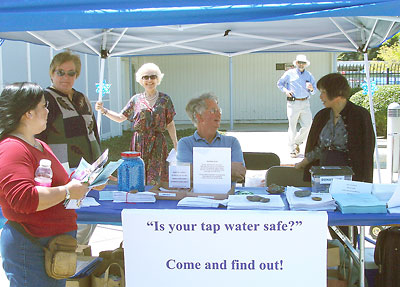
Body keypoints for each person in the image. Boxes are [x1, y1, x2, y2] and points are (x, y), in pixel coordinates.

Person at [0, 82, 89, 286]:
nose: (48, 111)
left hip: (51, 245)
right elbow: (24, 199)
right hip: (32, 247)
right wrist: (68, 191)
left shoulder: (38, 144)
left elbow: (58, 183)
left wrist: (85, 180)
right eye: (44, 106)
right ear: (28, 113)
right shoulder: (12, 148)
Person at [294, 73, 375, 244]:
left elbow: (366, 151)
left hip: (350, 180)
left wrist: (365, 183)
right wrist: (303, 163)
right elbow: (318, 148)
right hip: (323, 177)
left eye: (323, 91)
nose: (321, 96)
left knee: (347, 225)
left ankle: (349, 259)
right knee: (327, 220)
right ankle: (339, 258)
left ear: (337, 93)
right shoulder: (322, 116)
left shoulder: (360, 115)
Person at [36, 51, 101, 245]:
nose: (65, 77)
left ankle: (78, 262)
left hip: (87, 171)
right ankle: (67, 264)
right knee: (69, 224)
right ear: (51, 73)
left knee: (89, 220)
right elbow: (38, 139)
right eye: (60, 72)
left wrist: (100, 166)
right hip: (60, 173)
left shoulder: (82, 99)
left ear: (77, 75)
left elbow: (93, 135)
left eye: (71, 73)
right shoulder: (45, 99)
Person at [95, 63, 178, 186]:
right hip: (139, 143)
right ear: (140, 80)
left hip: (158, 144)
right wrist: (103, 111)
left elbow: (170, 123)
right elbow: (120, 118)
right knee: (137, 176)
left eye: (153, 76)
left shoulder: (165, 99)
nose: (149, 80)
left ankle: (155, 199)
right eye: (145, 77)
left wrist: (176, 145)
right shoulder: (136, 99)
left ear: (158, 79)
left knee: (156, 178)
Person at [176, 93, 246, 182]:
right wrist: (228, 169)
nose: (219, 114)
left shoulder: (232, 142)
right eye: (213, 111)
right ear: (199, 117)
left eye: (219, 111)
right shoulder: (185, 143)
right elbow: (185, 174)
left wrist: (198, 170)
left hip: (226, 195)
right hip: (195, 195)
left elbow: (239, 173)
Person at [277, 54, 316, 158]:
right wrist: (286, 91)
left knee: (308, 125)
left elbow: (314, 91)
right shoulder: (289, 73)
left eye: (303, 63)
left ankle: (297, 142)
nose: (301, 64)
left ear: (306, 64)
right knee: (292, 126)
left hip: (305, 102)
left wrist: (311, 88)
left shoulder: (309, 75)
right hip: (293, 103)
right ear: (296, 63)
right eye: (299, 62)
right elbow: (279, 84)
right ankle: (292, 149)